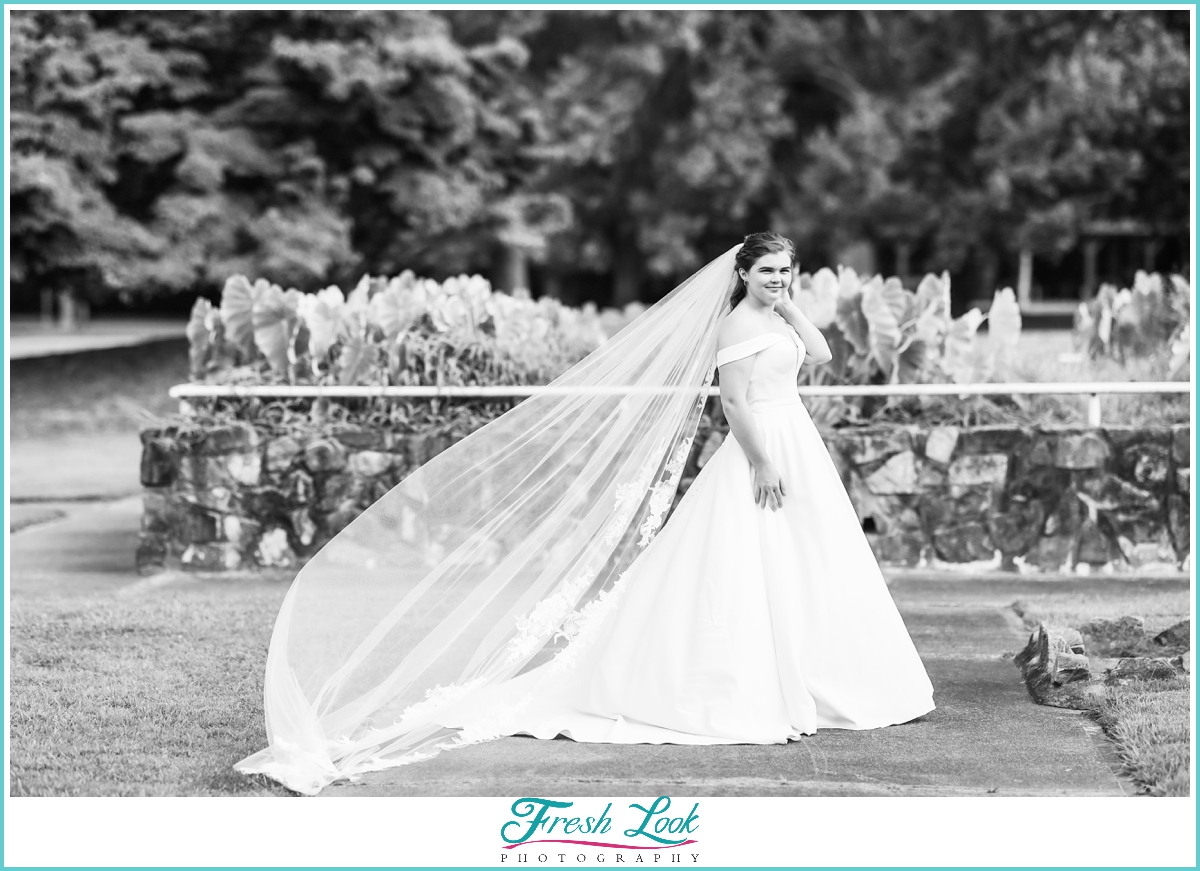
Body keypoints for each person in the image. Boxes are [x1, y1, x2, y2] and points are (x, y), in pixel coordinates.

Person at [235, 232, 936, 796]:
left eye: (788, 270)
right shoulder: (732, 328)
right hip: (766, 450)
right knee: (747, 568)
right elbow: (735, 404)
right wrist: (761, 462)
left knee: (809, 564)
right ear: (743, 274)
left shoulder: (777, 314)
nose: (780, 279)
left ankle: (816, 671)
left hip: (796, 443)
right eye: (769, 271)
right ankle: (746, 681)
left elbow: (817, 352)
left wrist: (787, 305)